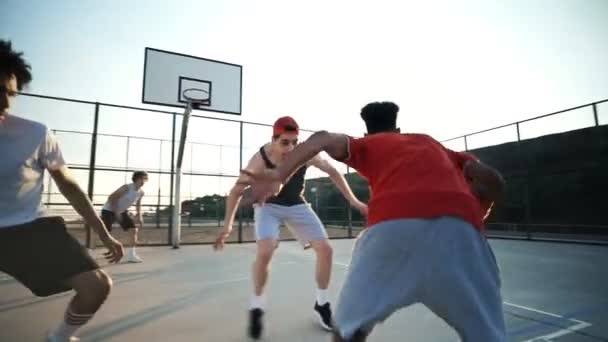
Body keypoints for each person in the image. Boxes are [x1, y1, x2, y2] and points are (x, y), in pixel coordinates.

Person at [241, 102, 507, 341]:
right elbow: (493, 182)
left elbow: (320, 139)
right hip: (462, 235)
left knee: (347, 333)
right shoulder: (432, 143)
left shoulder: (367, 145)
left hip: (392, 229)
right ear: (399, 128)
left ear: (368, 133)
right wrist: (474, 216)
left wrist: (278, 176)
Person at [0, 40, 123, 342]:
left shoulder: (35, 133)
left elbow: (69, 185)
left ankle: (58, 338)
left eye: (10, 93)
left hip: (26, 228)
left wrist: (104, 234)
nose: (5, 103)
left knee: (96, 285)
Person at [214, 116, 367, 339]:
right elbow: (236, 192)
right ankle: (257, 306)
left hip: (296, 204)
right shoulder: (260, 159)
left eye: (295, 142)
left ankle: (322, 303)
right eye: (285, 142)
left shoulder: (306, 154)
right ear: (273, 140)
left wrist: (353, 200)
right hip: (268, 207)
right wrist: (227, 226)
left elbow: (333, 172)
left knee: (326, 250)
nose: (291, 148)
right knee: (266, 250)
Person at [101, 171, 148, 263]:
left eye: (145, 179)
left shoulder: (141, 192)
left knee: (133, 230)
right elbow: (111, 198)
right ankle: (105, 249)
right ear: (136, 179)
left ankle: (131, 255)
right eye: (141, 179)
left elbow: (138, 204)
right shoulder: (126, 187)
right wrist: (116, 212)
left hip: (122, 211)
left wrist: (139, 215)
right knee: (105, 233)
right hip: (108, 210)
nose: (143, 181)